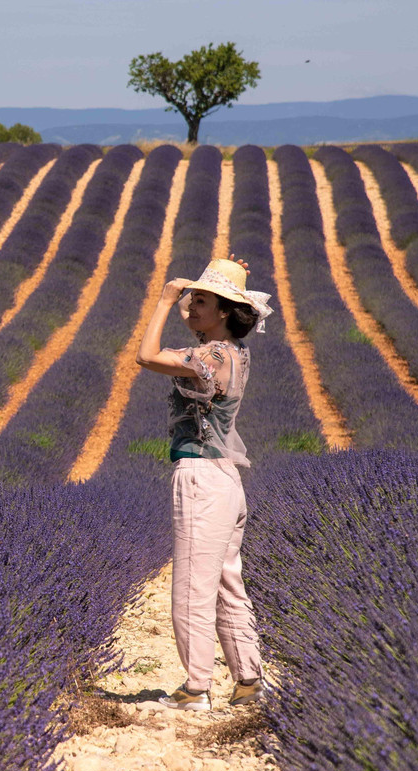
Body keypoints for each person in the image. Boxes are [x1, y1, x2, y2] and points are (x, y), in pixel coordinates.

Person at [135, 256, 274, 711]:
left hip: (199, 476)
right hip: (227, 480)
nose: (190, 308)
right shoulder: (232, 353)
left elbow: (147, 356)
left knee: (194, 583)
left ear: (224, 312)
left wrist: (162, 301)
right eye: (191, 301)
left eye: (201, 302)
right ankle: (249, 680)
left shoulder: (206, 356)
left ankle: (196, 688)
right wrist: (200, 298)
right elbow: (194, 339)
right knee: (227, 582)